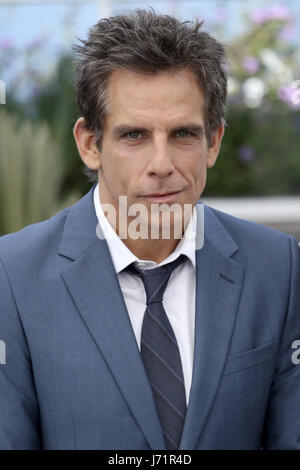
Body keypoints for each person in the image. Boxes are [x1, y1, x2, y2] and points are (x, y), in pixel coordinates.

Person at [0, 9, 299, 450]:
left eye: (182, 134)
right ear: (90, 144)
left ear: (213, 141)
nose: (162, 166)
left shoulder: (280, 268)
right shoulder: (12, 276)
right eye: (134, 136)